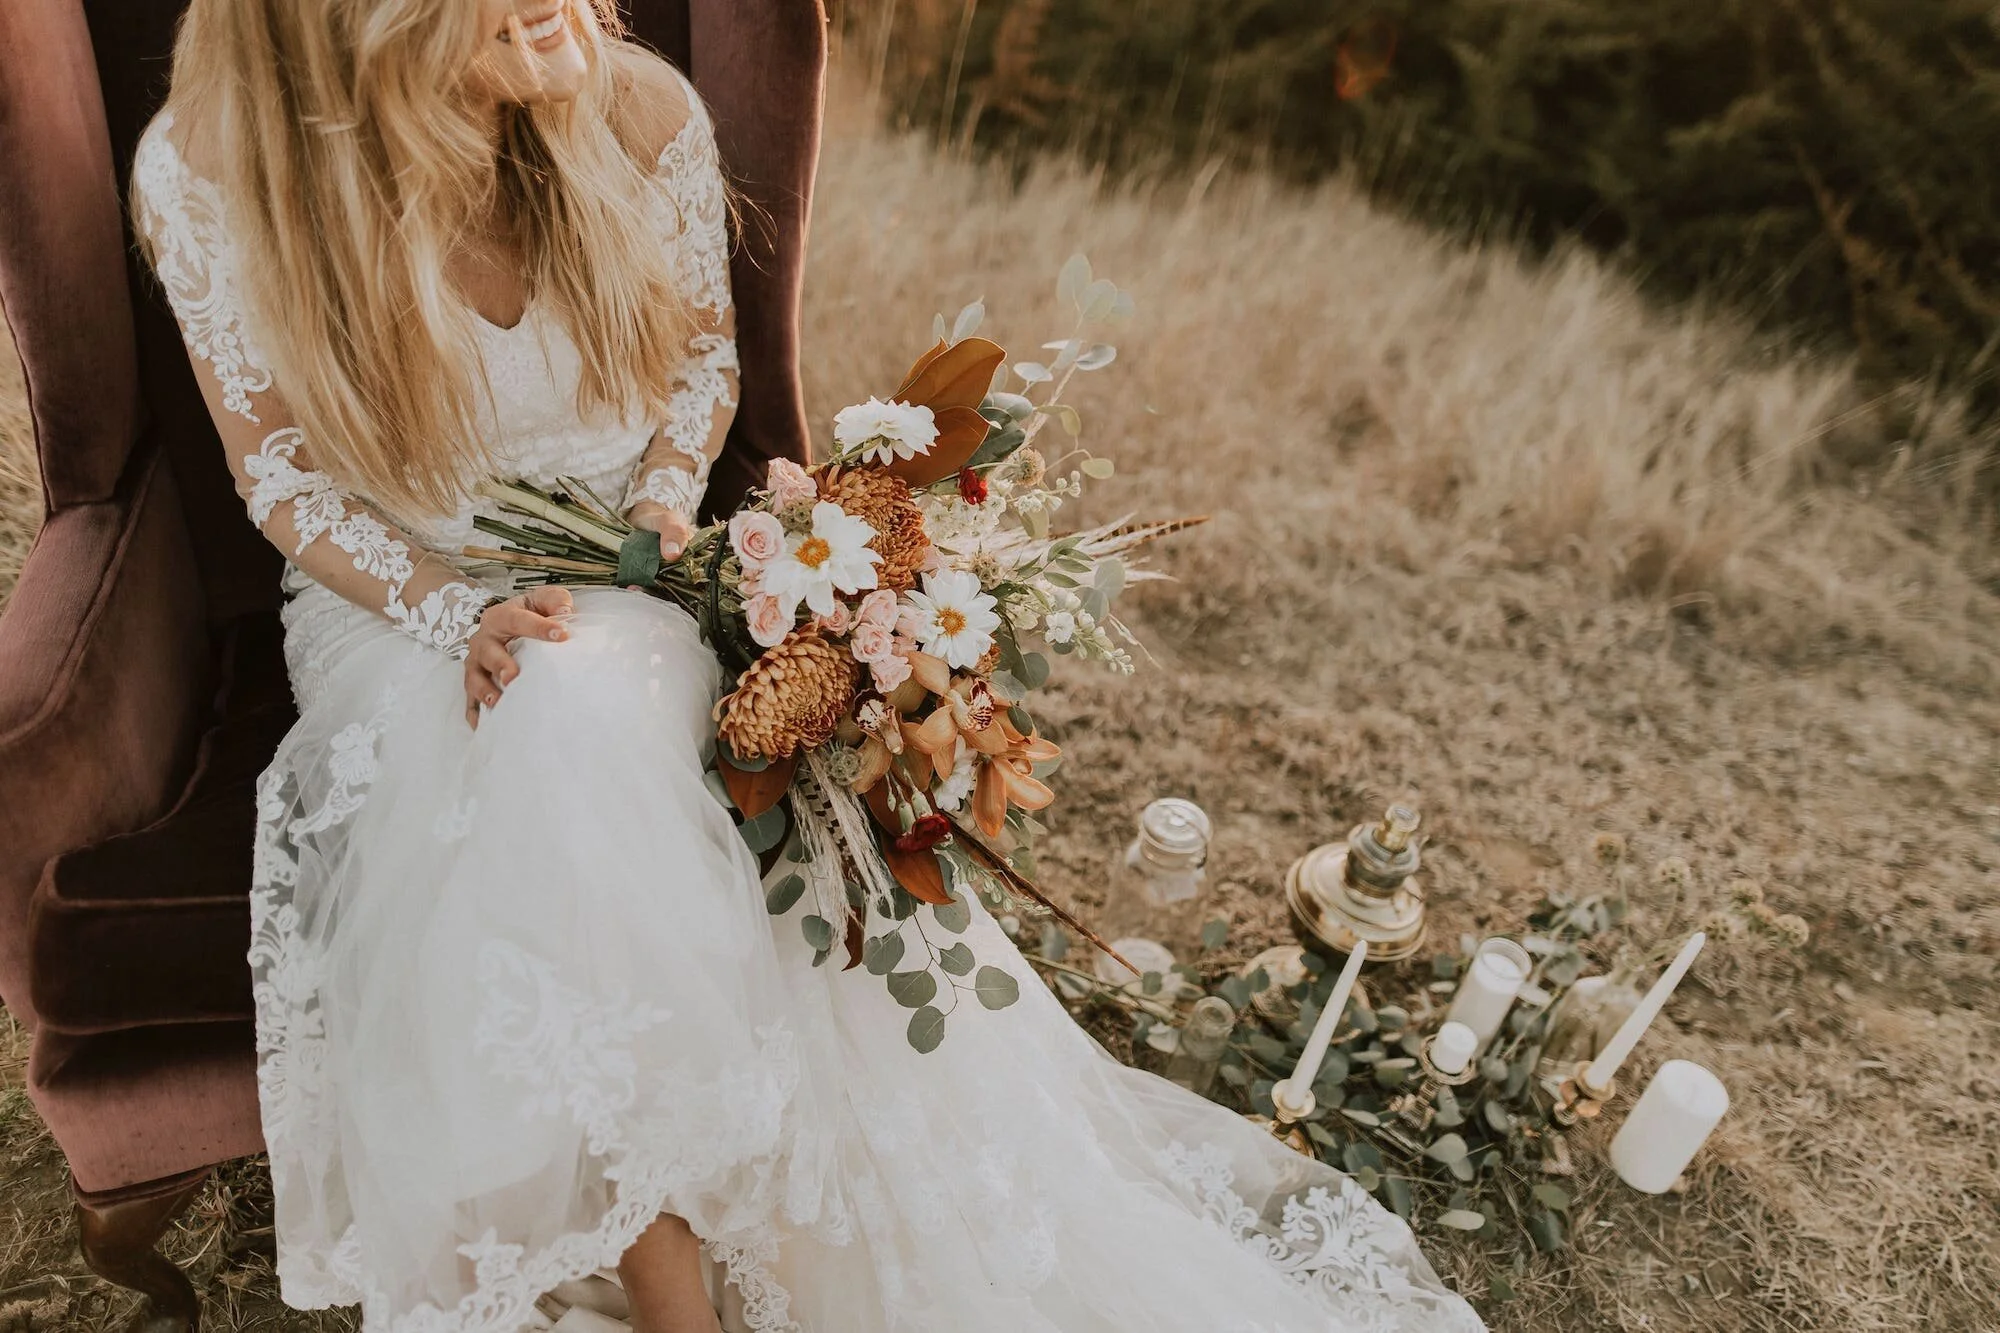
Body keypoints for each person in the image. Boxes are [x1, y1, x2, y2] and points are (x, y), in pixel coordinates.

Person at [130, 2, 1485, 1330]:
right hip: (399, 601)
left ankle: (675, 1285)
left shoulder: (635, 102)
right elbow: (280, 473)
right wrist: (448, 617)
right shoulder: (213, 164)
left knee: (572, 713)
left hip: (623, 577)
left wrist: (664, 513)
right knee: (539, 734)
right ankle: (676, 1291)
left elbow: (699, 369)